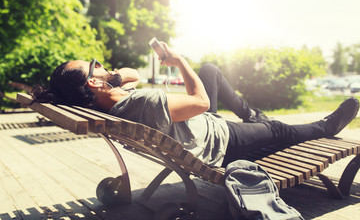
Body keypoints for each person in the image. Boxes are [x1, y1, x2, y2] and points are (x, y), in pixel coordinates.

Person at [31, 42, 360, 168]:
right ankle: (325, 127)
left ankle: (250, 115)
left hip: (197, 128)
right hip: (218, 140)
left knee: (211, 71)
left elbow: (127, 75)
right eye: (95, 64)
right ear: (92, 82)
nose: (101, 64)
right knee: (274, 128)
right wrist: (180, 62)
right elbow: (201, 102)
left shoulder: (112, 104)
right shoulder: (144, 102)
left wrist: (110, 77)